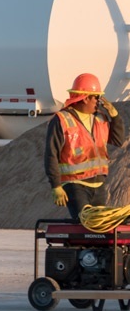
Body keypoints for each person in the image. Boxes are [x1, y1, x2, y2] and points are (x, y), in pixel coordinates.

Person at [46, 72, 126, 221]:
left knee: (100, 227)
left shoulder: (100, 118)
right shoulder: (62, 120)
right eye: (96, 97)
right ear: (85, 98)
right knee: (87, 223)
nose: (99, 101)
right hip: (75, 185)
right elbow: (51, 154)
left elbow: (118, 140)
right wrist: (56, 186)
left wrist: (115, 117)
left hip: (99, 186)